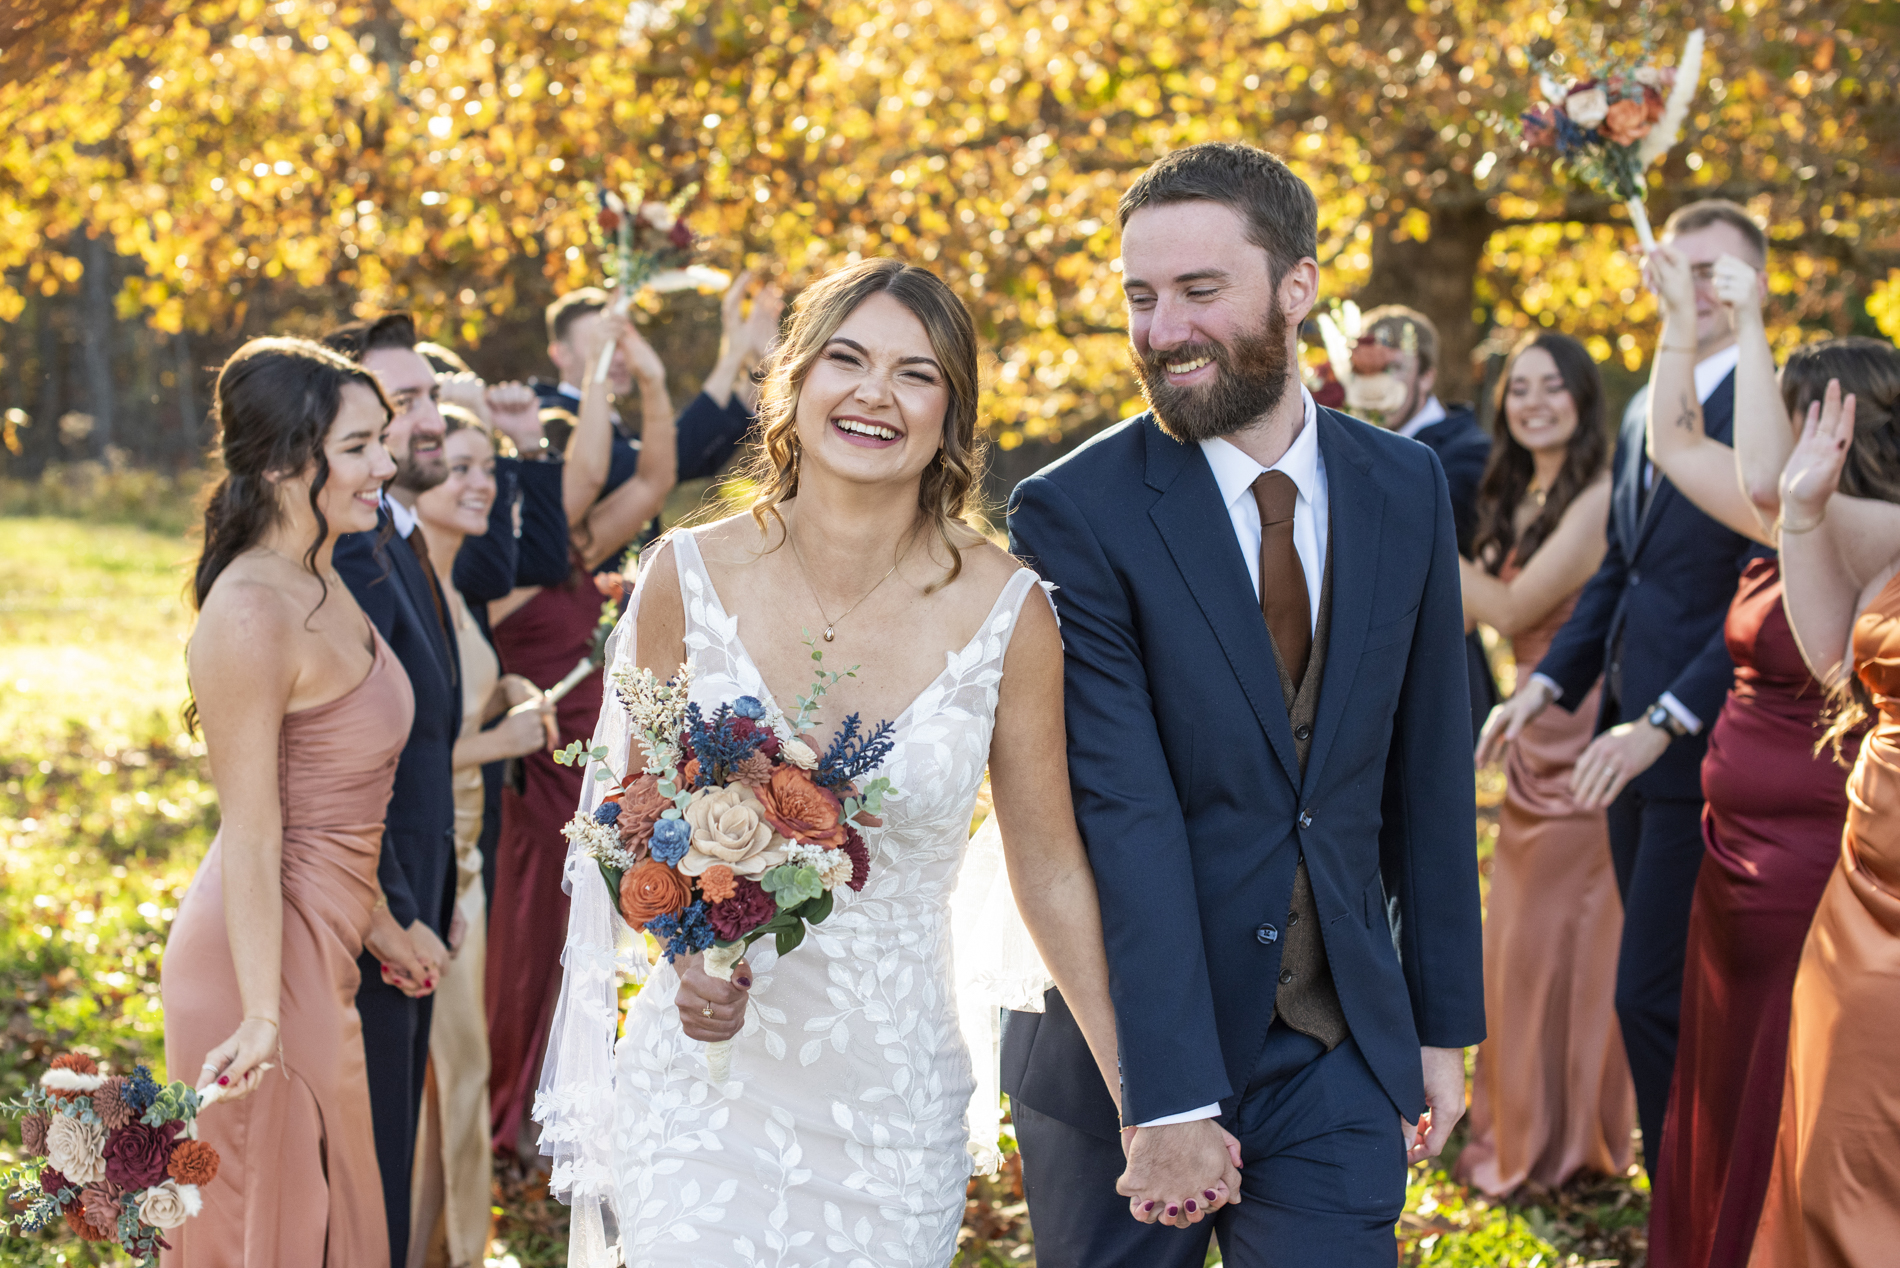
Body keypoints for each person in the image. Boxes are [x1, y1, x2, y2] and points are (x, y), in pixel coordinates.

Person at [532, 257, 1142, 1266]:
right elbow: (631, 816)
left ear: (952, 414)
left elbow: (1046, 863)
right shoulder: (687, 576)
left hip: (889, 1093)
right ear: (794, 382)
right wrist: (685, 959)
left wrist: (1142, 1092)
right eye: (845, 359)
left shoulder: (1011, 610)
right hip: (704, 1089)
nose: (872, 392)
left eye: (915, 373)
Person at [1004, 142, 1484, 1266]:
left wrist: (1439, 1023)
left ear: (1298, 288)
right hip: (1127, 1058)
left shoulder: (1405, 486)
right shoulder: (1075, 512)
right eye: (1140, 295)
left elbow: (1427, 769)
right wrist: (1163, 1098)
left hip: (1334, 1049)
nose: (1162, 329)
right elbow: (1121, 808)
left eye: (1198, 291)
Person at [1478, 200, 1763, 1173]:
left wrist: (1664, 719)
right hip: (1622, 748)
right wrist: (1546, 686)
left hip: (1716, 742)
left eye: (1715, 271)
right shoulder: (1647, 407)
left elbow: (1759, 590)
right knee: (1654, 993)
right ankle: (1683, 1202)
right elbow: (1620, 574)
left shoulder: (1774, 404)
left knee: (1661, 992)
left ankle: (1713, 1195)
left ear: (1751, 284)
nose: (1690, 287)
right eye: (1676, 266)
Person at [1637, 247, 1870, 1266]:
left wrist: (1749, 322)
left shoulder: (1857, 529)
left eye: (1793, 408)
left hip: (1821, 858)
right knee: (1726, 1065)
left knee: (1789, 1074)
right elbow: (1678, 441)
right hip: (1732, 851)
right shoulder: (1805, 523)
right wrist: (1695, 327)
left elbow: (1759, 479)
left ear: (1844, 425)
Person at [162, 337, 413, 1266]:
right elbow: (256, 830)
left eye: (382, 440)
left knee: (334, 1208)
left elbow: (336, 801)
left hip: (323, 941)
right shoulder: (250, 613)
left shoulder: (321, 573)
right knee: (275, 1225)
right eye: (357, 447)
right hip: (253, 968)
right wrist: (262, 1016)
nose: (386, 465)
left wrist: (382, 924)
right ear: (280, 463)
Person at [483, 310, 680, 1157]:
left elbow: (654, 477)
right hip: (538, 773)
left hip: (589, 768)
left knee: (578, 937)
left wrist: (660, 383)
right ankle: (510, 1106)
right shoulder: (512, 574)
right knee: (530, 938)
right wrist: (602, 366)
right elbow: (597, 464)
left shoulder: (582, 552)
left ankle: (549, 1102)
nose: (582, 479)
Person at [1453, 332, 1630, 1195]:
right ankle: (1518, 1129)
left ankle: (1572, 1147)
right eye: (1518, 388)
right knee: (1519, 946)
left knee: (1573, 944)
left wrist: (1398, 533)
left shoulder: (1598, 497)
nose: (1532, 402)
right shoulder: (1518, 493)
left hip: (1580, 727)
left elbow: (1515, 604)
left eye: (1552, 386)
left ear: (1583, 399)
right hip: (1528, 736)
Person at [1740, 346, 1900, 1267]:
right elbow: (1838, 661)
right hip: (1865, 887)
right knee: (1842, 1134)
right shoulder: (1879, 535)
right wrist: (1802, 514)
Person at [322, 313, 460, 1268]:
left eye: (426, 400)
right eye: (395, 405)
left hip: (419, 891)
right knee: (358, 1179)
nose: (423, 422)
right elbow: (346, 767)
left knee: (388, 1167)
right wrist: (396, 916)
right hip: (366, 910)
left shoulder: (399, 535)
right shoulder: (346, 554)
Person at [407, 407, 556, 1268]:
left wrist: (506, 686)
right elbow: (396, 754)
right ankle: (456, 1251)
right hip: (433, 864)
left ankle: (448, 1238)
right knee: (457, 1073)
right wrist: (501, 742)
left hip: (464, 854)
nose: (480, 482)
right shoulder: (402, 582)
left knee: (459, 1074)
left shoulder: (455, 587)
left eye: (487, 468)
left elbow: (453, 695)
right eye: (459, 467)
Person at [1358, 304, 1500, 741]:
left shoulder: (1467, 454)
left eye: (1394, 368)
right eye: (1364, 370)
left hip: (1437, 678)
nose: (1377, 383)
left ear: (1427, 377)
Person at [534, 270, 784, 514]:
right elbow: (668, 463)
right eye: (601, 345)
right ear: (561, 355)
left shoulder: (617, 423)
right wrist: (732, 357)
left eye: (621, 343)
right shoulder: (552, 424)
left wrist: (760, 367)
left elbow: (700, 455)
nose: (619, 357)